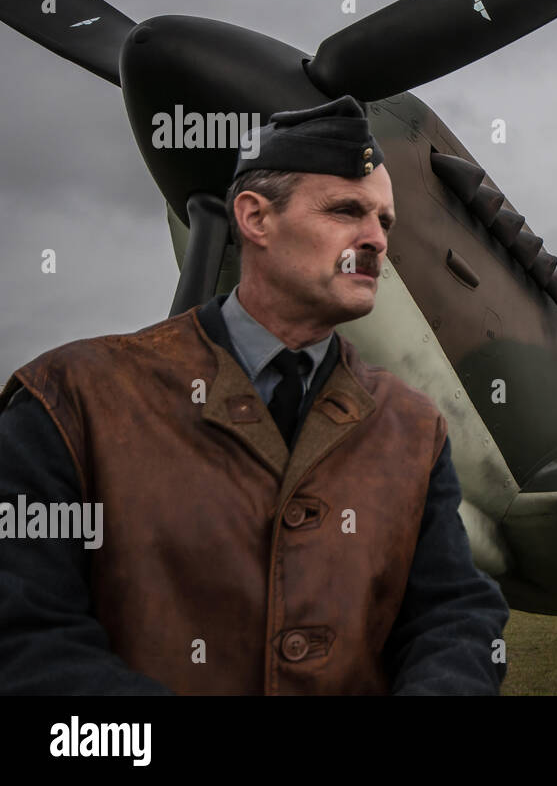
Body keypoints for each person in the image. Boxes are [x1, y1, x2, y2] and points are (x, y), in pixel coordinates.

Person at [0, 95, 509, 695]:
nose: (375, 240)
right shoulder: (71, 398)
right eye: (347, 210)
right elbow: (27, 640)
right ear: (255, 217)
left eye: (384, 221)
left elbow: (453, 614)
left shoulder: (413, 428)